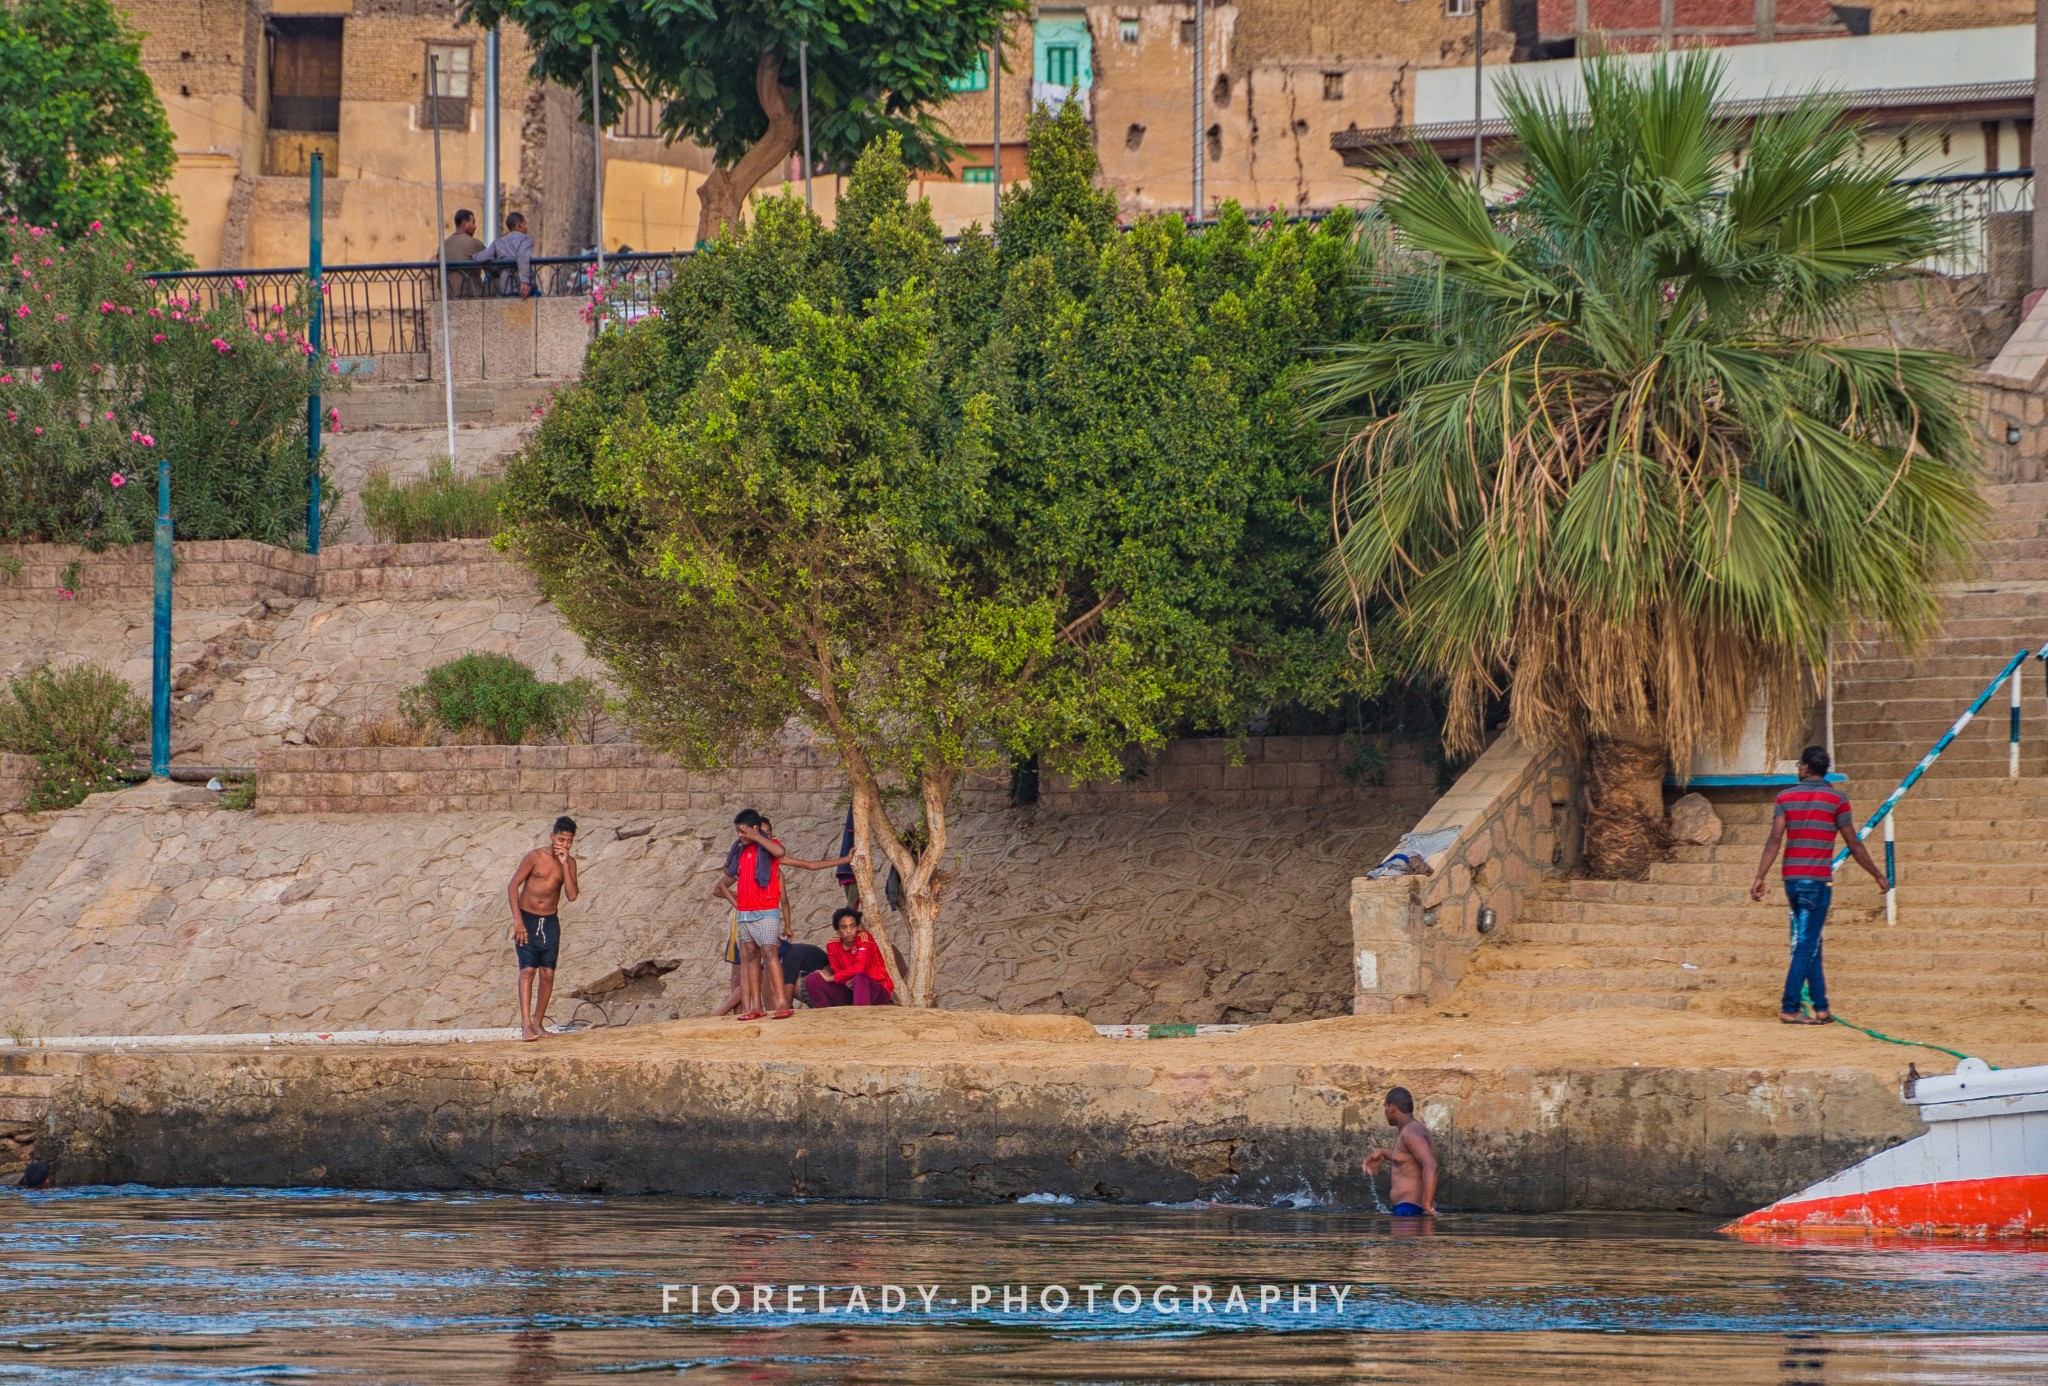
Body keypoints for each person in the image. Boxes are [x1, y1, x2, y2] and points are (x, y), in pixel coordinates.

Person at [1751, 745, 1888, 1025]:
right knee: (1807, 943)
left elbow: (1774, 839)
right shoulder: (1837, 799)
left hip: (1791, 879)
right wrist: (1877, 874)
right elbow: (1854, 844)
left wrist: (1760, 876)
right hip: (1817, 881)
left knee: (1812, 942)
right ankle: (1790, 1007)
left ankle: (1822, 1007)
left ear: (1804, 767)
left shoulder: (1785, 797)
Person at [507, 817, 579, 1040]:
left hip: (549, 922)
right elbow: (512, 886)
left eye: (568, 841)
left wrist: (565, 863)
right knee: (528, 970)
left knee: (547, 973)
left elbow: (572, 895)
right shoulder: (535, 857)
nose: (563, 845)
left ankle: (538, 1022)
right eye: (560, 839)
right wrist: (517, 920)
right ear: (552, 836)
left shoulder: (570, 862)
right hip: (527, 919)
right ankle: (526, 1024)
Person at [1363, 1087, 1437, 1216]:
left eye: (1385, 1107)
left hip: (1410, 1210)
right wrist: (1384, 1153)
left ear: (1391, 1107)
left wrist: (1427, 1206)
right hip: (1408, 1210)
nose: (1385, 1112)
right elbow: (1407, 1159)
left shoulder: (1411, 1132)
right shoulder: (1411, 1130)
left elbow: (1430, 1165)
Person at [805, 907, 896, 1008]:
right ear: (837, 930)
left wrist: (832, 978)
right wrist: (845, 982)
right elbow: (838, 971)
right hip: (850, 990)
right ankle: (827, 1018)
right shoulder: (832, 945)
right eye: (844, 927)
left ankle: (860, 1018)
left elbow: (859, 968)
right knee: (812, 979)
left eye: (852, 926)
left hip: (876, 990)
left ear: (857, 927)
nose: (849, 931)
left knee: (859, 978)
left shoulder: (864, 938)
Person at [477, 211, 540, 299]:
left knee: (509, 311)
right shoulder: (527, 239)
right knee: (538, 300)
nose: (526, 227)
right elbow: (522, 256)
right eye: (525, 224)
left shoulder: (499, 242)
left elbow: (482, 257)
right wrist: (525, 281)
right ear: (520, 225)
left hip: (506, 285)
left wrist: (473, 257)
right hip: (524, 288)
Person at [441, 209, 486, 298]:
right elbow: (494, 268)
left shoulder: (443, 246)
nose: (475, 226)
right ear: (465, 224)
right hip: (471, 296)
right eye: (473, 223)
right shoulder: (474, 243)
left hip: (448, 296)